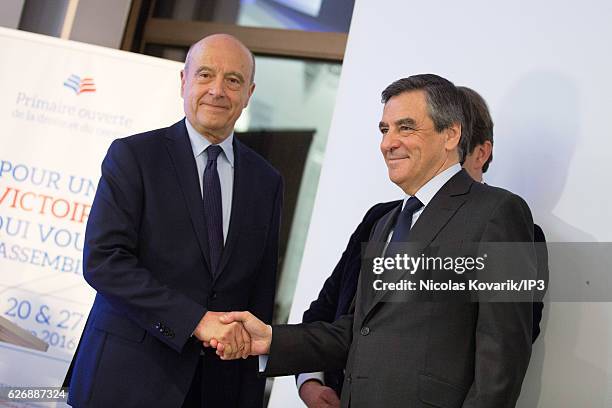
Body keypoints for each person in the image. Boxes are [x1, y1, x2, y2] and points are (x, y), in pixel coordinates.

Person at [214, 74, 536, 408]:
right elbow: (357, 331)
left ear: (451, 134)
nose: (388, 143)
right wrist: (270, 339)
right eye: (385, 130)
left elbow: (503, 357)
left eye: (406, 128)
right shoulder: (385, 224)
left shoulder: (501, 212)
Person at [64, 34, 283, 408]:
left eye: (233, 80)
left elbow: (258, 296)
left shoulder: (267, 181)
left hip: (214, 389)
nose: (217, 90)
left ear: (249, 93)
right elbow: (104, 262)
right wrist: (197, 320)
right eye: (205, 75)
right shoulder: (134, 156)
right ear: (183, 81)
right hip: (124, 380)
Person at [458, 85, 548, 342]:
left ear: (481, 153)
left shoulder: (514, 230)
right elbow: (336, 305)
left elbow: (511, 339)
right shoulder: (382, 219)